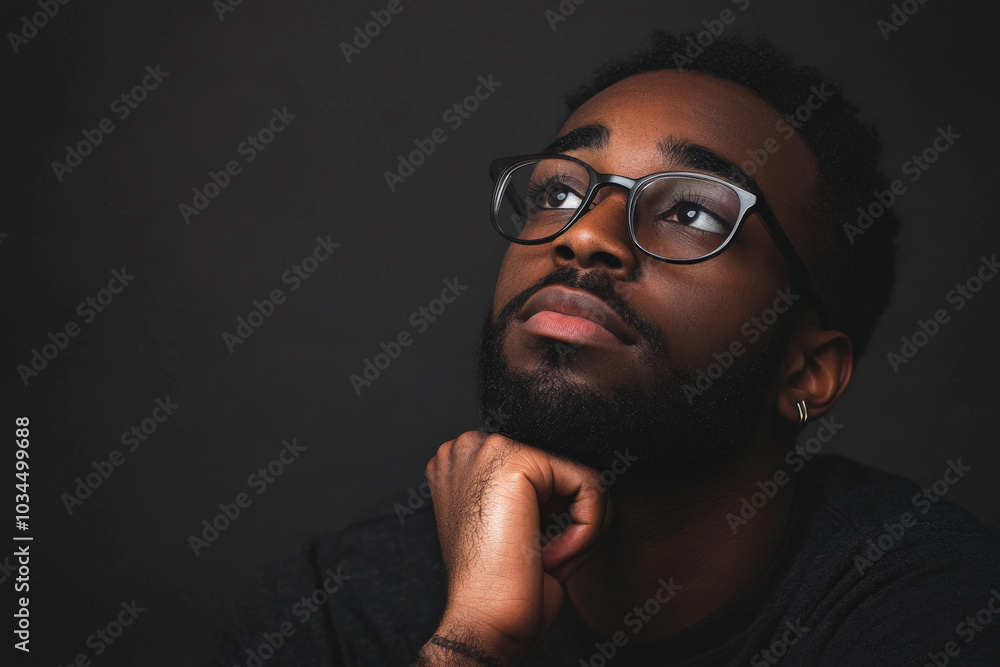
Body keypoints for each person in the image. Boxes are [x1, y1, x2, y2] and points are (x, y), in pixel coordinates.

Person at [215, 32, 1000, 666]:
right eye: (558, 192)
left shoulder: (931, 601)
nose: (583, 235)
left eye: (691, 211)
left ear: (809, 371)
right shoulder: (332, 609)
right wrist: (474, 642)